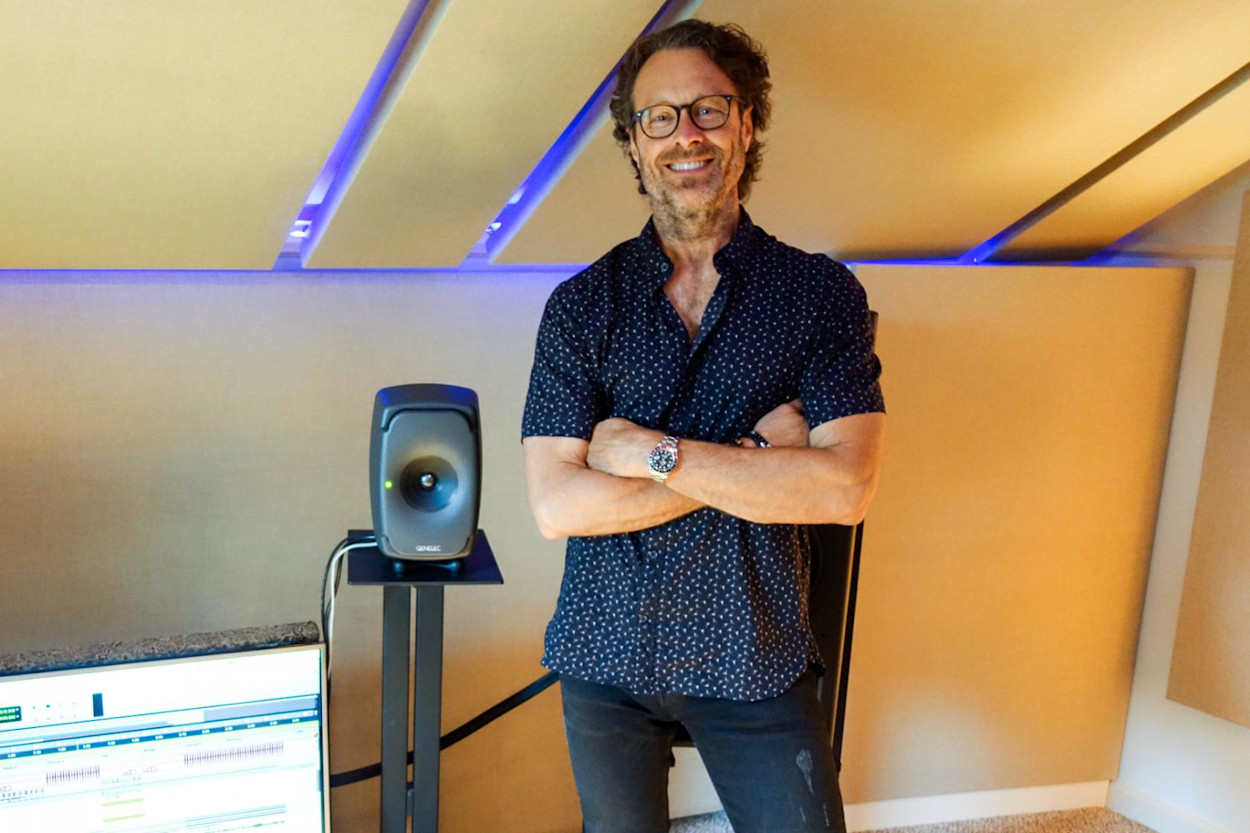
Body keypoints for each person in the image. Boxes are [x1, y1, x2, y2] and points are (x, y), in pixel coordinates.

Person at [521, 19, 885, 833]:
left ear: (746, 124)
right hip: (604, 651)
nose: (685, 134)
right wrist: (756, 458)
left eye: (708, 110)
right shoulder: (581, 307)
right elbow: (556, 505)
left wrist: (647, 455)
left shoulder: (820, 296)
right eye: (660, 116)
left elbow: (845, 489)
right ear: (633, 142)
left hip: (755, 651)